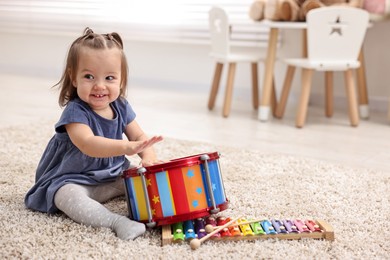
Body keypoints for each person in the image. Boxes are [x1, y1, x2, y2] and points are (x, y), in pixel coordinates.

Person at [25, 27, 163, 241]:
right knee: (66, 196)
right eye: (89, 76)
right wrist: (127, 148)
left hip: (112, 174)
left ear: (121, 80)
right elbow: (89, 144)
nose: (99, 85)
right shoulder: (75, 112)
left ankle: (164, 215)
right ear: (73, 78)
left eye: (109, 77)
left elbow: (139, 136)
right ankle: (116, 222)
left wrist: (149, 156)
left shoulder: (121, 106)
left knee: (145, 179)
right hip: (73, 178)